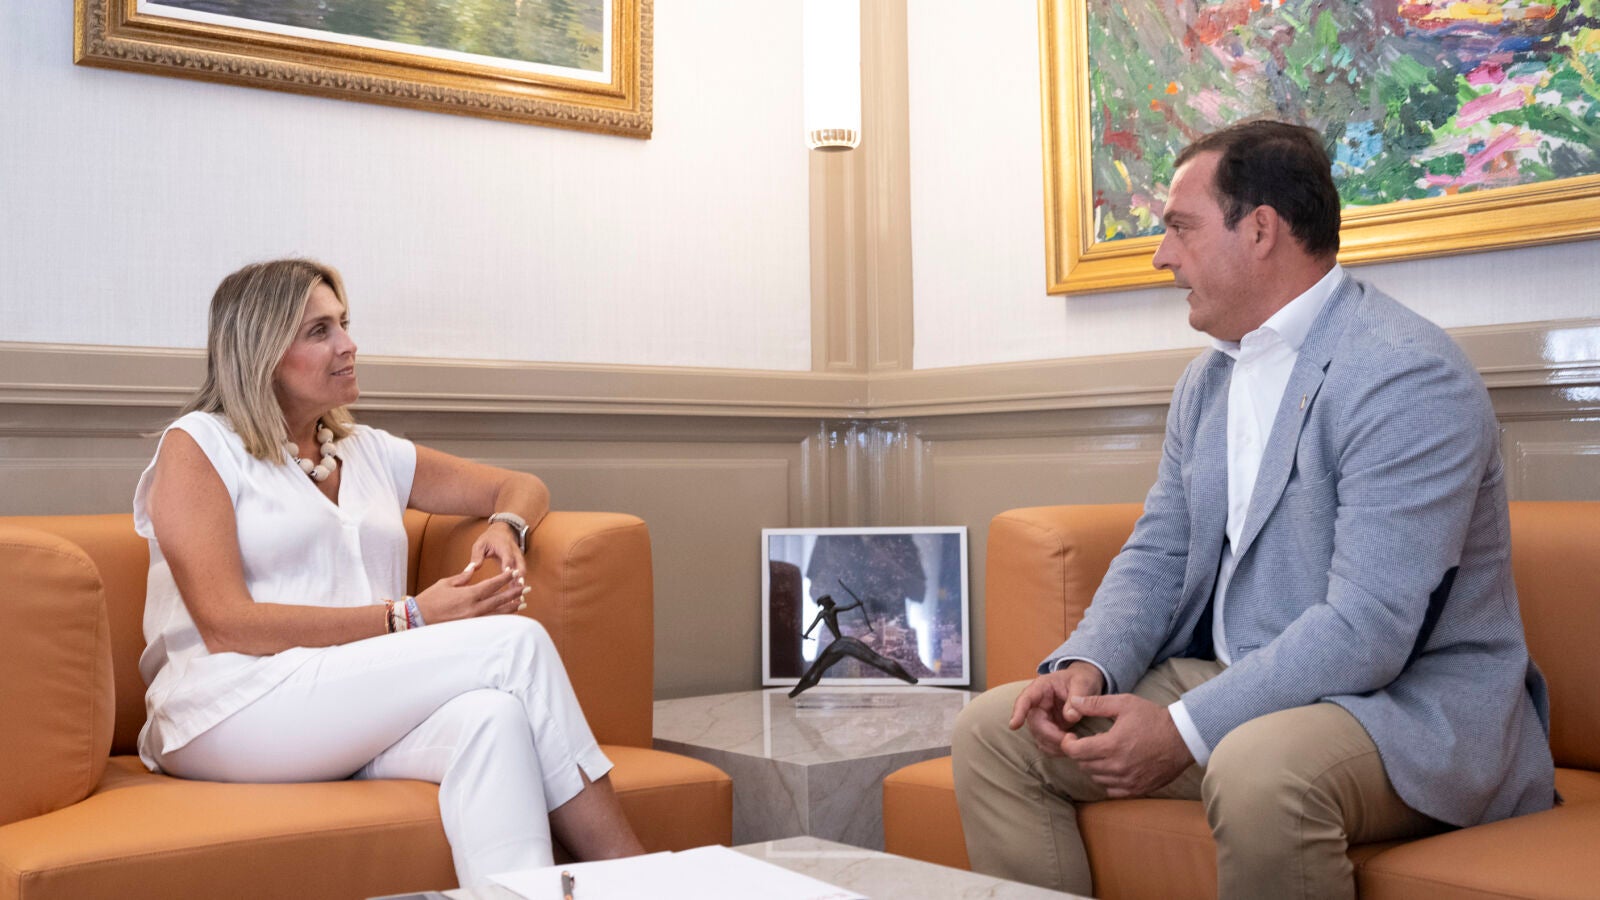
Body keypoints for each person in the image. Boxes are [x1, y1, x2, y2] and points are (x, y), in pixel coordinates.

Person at [951, 120, 1554, 899]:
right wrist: (1083, 667)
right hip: (1244, 681)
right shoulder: (1206, 382)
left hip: (1407, 707)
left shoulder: (1405, 375)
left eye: (1181, 228)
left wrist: (1182, 729)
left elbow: (1367, 628)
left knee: (1258, 771)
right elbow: (1160, 555)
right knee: (995, 733)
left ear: (1261, 230)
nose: (1161, 255)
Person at [133, 258, 645, 888]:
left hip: (346, 704)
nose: (348, 345)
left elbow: (519, 485)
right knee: (515, 646)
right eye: (319, 331)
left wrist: (506, 526)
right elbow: (225, 623)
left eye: (344, 324)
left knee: (494, 719)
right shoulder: (199, 445)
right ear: (261, 351)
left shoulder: (367, 451)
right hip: (226, 708)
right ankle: (636, 880)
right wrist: (412, 616)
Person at [788, 591, 918, 697]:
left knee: (877, 660)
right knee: (817, 669)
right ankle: (795, 692)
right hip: (840, 644)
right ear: (825, 603)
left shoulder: (830, 611)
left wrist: (856, 604)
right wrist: (857, 603)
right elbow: (814, 624)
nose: (832, 601)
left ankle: (909, 678)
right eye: (829, 600)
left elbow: (847, 607)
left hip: (841, 643)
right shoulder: (827, 612)